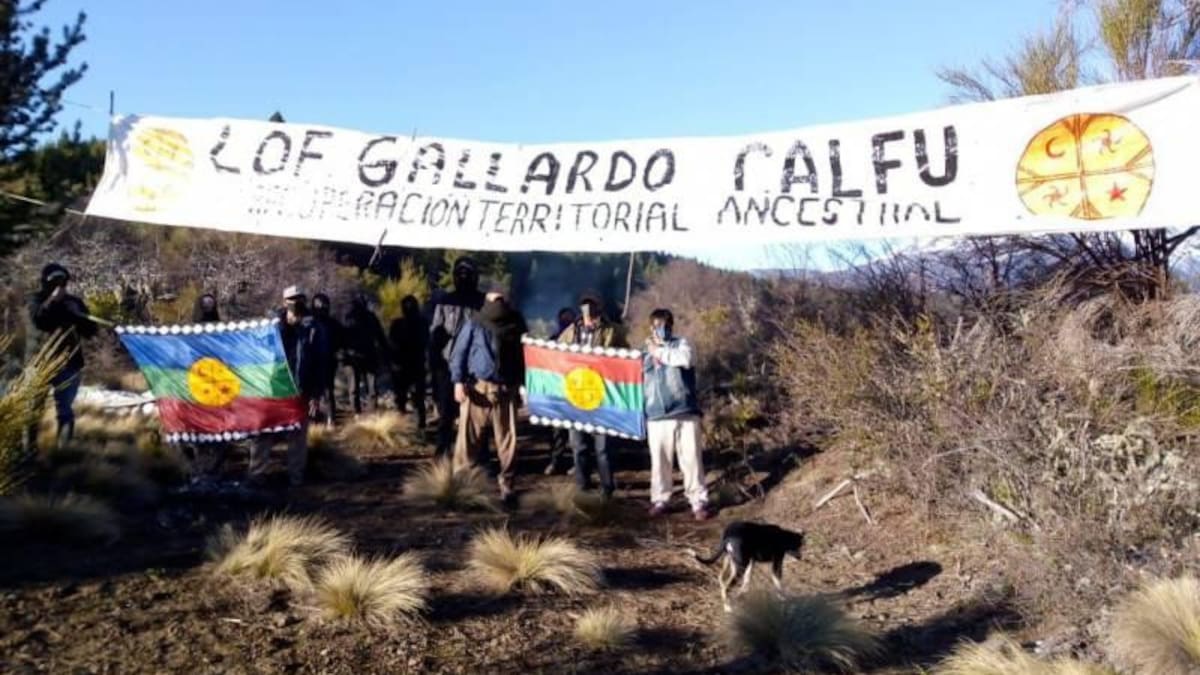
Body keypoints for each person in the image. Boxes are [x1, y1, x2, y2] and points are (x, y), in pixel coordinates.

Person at [449, 289, 527, 504]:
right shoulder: (476, 322)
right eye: (495, 300)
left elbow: (524, 355)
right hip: (478, 389)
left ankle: (507, 486)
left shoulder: (515, 323)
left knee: (506, 442)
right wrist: (458, 382)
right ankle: (462, 486)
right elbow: (460, 354)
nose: (497, 305)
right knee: (469, 440)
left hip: (504, 389)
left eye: (499, 300)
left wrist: (524, 385)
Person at [250, 286, 328, 487]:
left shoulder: (313, 328)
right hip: (273, 388)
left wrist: (316, 394)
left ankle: (296, 476)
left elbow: (321, 362)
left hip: (300, 388)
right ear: (285, 302)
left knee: (298, 435)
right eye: (292, 299)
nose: (296, 302)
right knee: (263, 432)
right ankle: (258, 474)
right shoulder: (272, 327)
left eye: (300, 298)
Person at [643, 308, 711, 521]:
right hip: (656, 415)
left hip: (685, 412)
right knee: (660, 462)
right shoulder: (643, 353)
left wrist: (659, 352)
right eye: (656, 325)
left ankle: (698, 501)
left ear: (671, 326)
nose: (660, 329)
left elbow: (686, 360)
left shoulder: (682, 345)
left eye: (664, 325)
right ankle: (660, 499)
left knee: (691, 459)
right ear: (650, 326)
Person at [556, 294, 627, 498]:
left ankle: (607, 489)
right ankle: (582, 487)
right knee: (578, 446)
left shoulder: (613, 330)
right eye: (585, 304)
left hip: (602, 397)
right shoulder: (571, 331)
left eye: (592, 304)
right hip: (577, 396)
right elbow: (557, 356)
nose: (588, 308)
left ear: (599, 306)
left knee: (603, 448)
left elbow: (626, 358)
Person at [30, 263, 98, 447]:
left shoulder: (74, 302)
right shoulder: (36, 300)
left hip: (70, 362)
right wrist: (53, 302)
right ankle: (27, 453)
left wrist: (78, 316)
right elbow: (39, 322)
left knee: (65, 409)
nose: (59, 284)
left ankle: (63, 451)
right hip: (40, 363)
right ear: (45, 281)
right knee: (32, 409)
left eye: (62, 280)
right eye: (54, 280)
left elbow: (91, 331)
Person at [429, 256, 486, 456]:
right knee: (446, 414)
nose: (463, 277)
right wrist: (434, 363)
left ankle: (479, 456)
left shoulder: (482, 301)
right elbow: (435, 333)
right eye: (460, 273)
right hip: (447, 365)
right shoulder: (445, 301)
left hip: (476, 366)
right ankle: (442, 455)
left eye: (467, 273)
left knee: (478, 416)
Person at [343, 292, 389, 415]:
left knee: (355, 388)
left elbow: (343, 337)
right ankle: (371, 412)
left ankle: (358, 413)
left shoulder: (349, 317)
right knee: (369, 387)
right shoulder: (369, 317)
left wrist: (344, 354)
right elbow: (381, 337)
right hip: (365, 355)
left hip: (357, 356)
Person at [544, 306, 576, 475]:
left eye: (569, 320)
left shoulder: (580, 341)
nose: (566, 323)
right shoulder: (552, 340)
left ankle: (577, 464)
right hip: (557, 392)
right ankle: (556, 461)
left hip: (576, 393)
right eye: (564, 319)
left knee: (577, 432)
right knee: (557, 432)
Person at [389, 294, 428, 429]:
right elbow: (392, 345)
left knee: (412, 398)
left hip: (411, 364)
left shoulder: (400, 323)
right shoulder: (421, 323)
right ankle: (410, 425)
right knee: (409, 397)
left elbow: (391, 345)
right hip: (407, 365)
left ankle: (415, 425)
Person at [311, 292, 344, 426]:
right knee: (314, 392)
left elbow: (342, 339)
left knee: (327, 390)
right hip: (312, 362)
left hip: (328, 361)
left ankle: (330, 418)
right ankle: (315, 419)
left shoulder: (332, 323)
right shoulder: (309, 322)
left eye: (324, 305)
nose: (322, 307)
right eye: (320, 304)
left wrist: (339, 353)